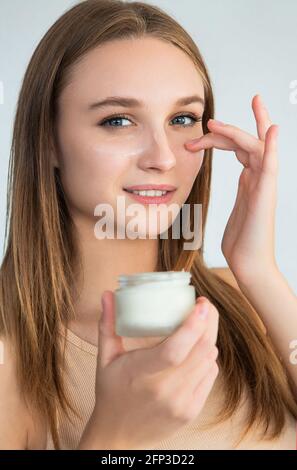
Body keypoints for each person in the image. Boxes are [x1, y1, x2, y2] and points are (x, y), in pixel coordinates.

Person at [0, 0, 296, 450]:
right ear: (48, 142)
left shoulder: (240, 298)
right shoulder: (13, 357)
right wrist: (115, 435)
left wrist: (258, 269)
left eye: (181, 119)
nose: (162, 157)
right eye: (117, 120)